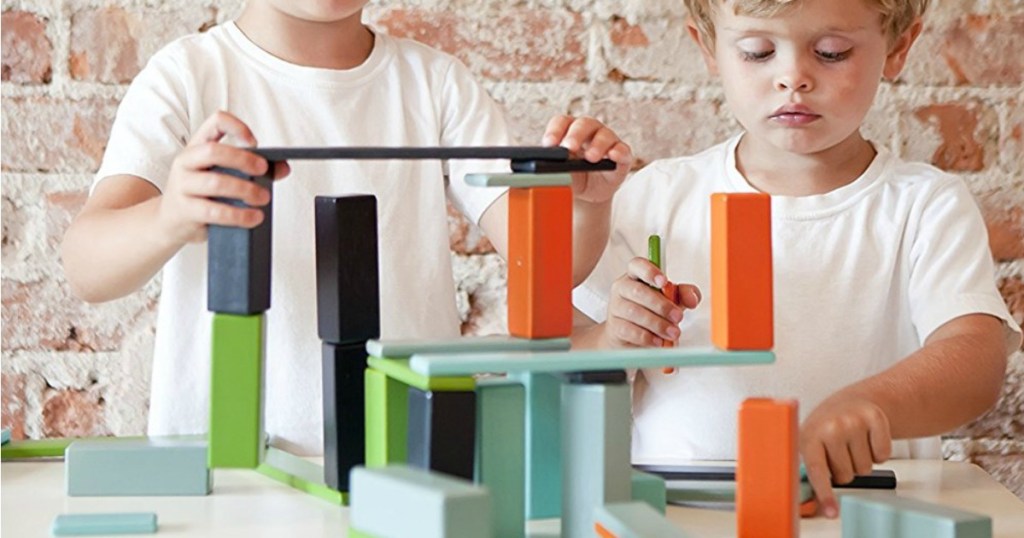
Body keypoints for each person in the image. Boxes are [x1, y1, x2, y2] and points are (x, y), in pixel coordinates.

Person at [61, 1, 632, 456]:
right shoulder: (187, 75)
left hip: (403, 454)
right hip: (226, 466)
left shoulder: (435, 83)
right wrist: (171, 215)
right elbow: (87, 267)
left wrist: (586, 206)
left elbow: (546, 267)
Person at [570, 0, 1021, 518]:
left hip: (860, 512)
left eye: (832, 52)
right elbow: (570, 364)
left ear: (897, 48)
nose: (793, 78)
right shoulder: (654, 196)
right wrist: (613, 337)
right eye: (758, 52)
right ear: (708, 48)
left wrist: (873, 404)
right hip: (679, 512)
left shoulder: (924, 205)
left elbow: (975, 359)